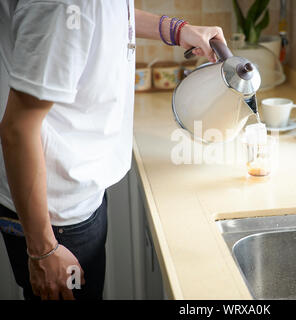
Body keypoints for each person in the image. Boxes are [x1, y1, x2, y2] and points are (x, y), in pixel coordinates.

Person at [0, 0, 226, 300]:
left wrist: (177, 30)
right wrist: (43, 250)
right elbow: (17, 130)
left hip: (74, 189)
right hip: (55, 214)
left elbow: (106, 16)